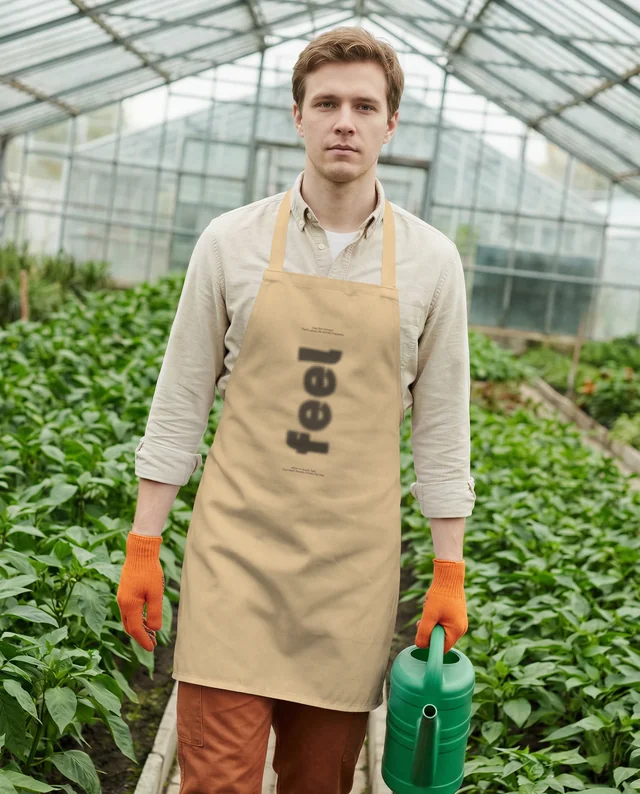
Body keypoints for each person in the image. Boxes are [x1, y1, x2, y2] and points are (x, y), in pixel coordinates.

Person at [116, 25, 476, 794]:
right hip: (234, 560)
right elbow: (179, 402)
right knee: (215, 781)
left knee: (319, 780)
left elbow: (444, 431)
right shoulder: (230, 243)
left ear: (390, 124)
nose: (344, 119)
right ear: (298, 116)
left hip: (351, 574)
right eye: (327, 103)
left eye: (363, 105)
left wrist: (449, 569)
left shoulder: (431, 262)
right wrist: (144, 544)